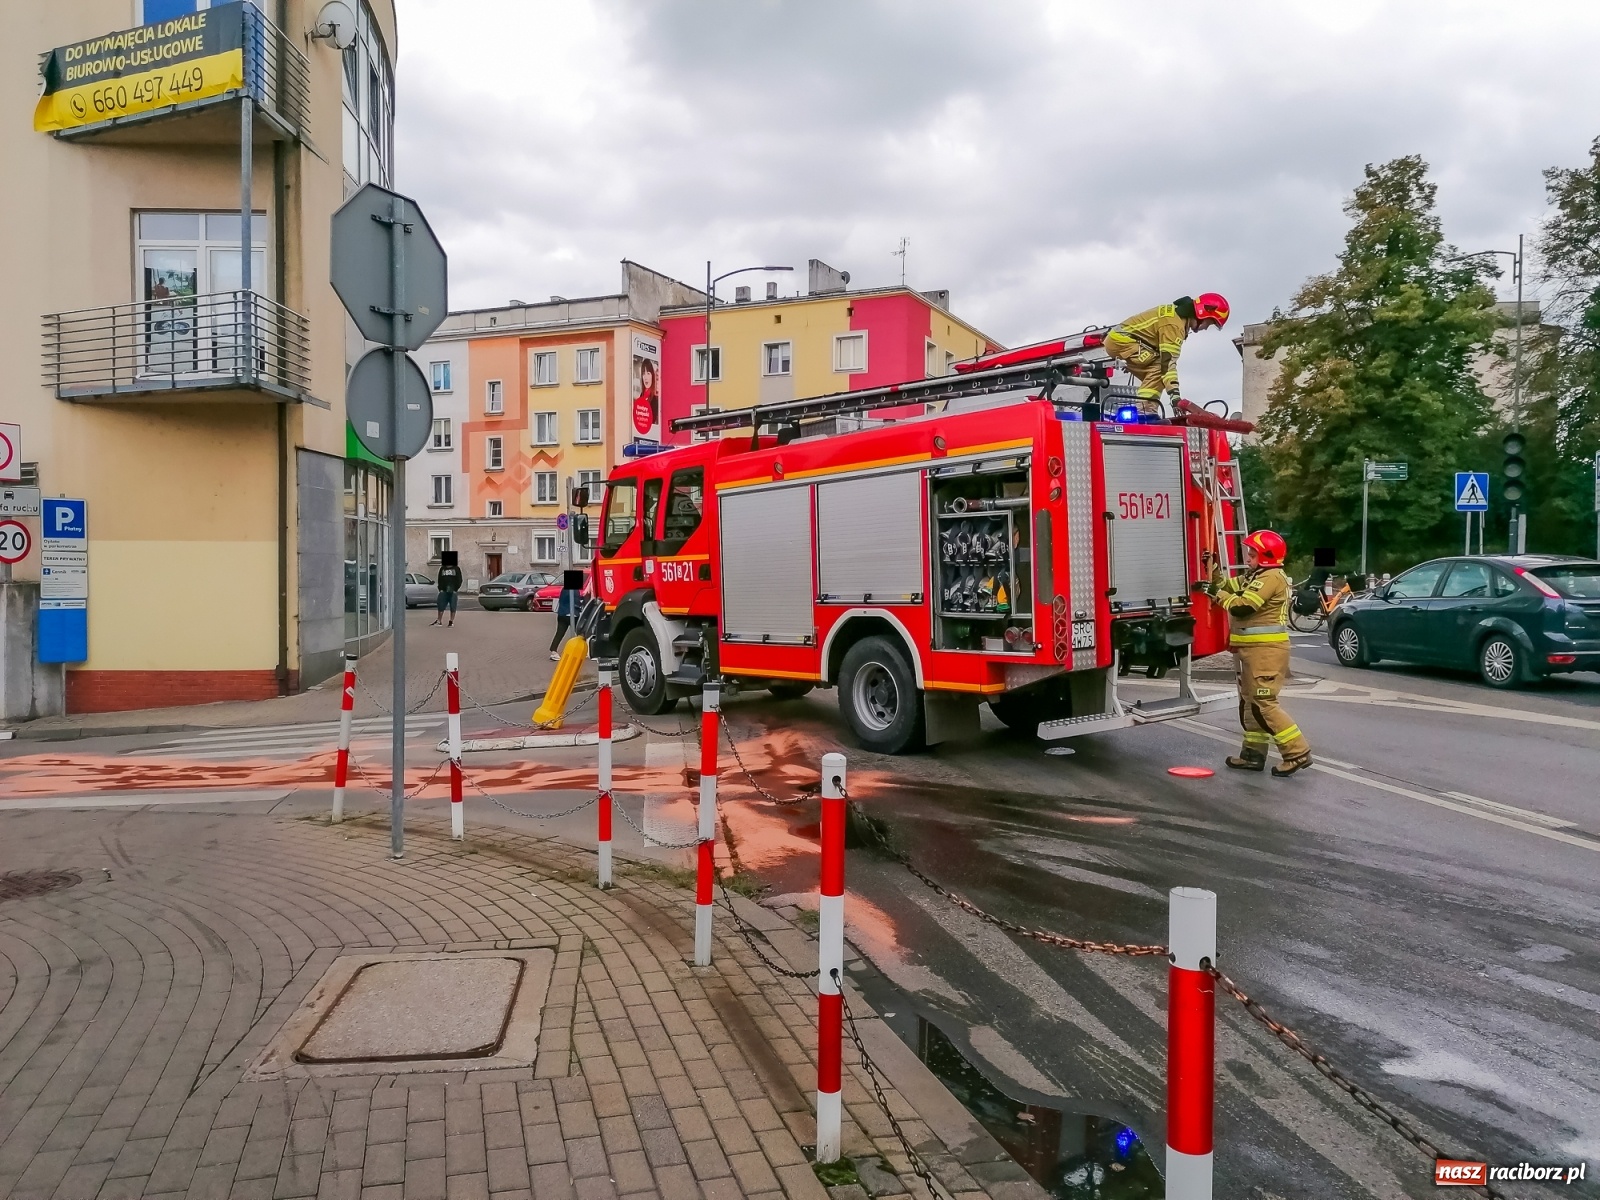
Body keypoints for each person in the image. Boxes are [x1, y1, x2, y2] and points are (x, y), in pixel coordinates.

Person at [1199, 529, 1313, 777]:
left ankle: (1297, 752)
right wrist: (1214, 570)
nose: (1248, 558)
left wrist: (1215, 594)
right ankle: (1253, 754)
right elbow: (1227, 585)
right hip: (1254, 652)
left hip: (1266, 653)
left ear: (1266, 556)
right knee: (1250, 703)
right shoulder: (1256, 576)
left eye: (1252, 554)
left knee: (1264, 703)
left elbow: (1243, 606)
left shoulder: (1271, 577)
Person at [1104, 293, 1230, 417]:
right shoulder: (1174, 325)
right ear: (1203, 313)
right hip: (1122, 341)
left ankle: (1147, 409)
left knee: (1159, 371)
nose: (1206, 328)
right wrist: (1175, 396)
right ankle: (1145, 411)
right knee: (1160, 368)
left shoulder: (1176, 317)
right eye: (1210, 322)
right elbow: (1168, 363)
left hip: (1121, 340)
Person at [549, 568, 585, 661]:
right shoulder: (574, 590)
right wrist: (581, 605)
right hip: (572, 615)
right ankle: (585, 651)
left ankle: (553, 651)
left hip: (562, 614)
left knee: (560, 633)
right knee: (581, 633)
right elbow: (575, 602)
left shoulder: (565, 588)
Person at [432, 551, 463, 627]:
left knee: (453, 606)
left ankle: (451, 621)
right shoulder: (442, 568)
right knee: (441, 605)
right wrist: (440, 589)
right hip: (443, 590)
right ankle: (439, 621)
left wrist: (456, 589)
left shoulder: (456, 569)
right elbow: (439, 579)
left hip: (453, 591)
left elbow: (459, 579)